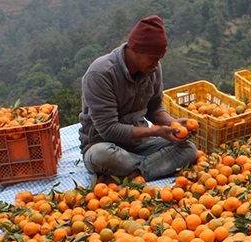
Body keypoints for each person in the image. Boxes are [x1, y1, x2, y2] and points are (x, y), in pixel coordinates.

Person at [78, 15, 198, 182]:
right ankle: (150, 168)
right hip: (105, 145)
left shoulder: (153, 69)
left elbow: (155, 109)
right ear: (135, 50)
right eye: (152, 58)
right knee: (101, 156)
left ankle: (130, 175)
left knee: (188, 150)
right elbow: (109, 129)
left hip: (139, 144)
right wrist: (157, 131)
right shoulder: (101, 74)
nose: (156, 64)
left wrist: (174, 124)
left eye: (159, 59)